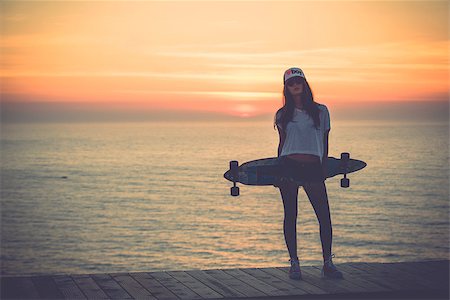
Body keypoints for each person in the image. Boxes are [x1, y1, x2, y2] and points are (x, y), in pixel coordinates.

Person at [274, 67, 343, 280]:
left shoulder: (321, 111)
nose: (295, 85)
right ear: (286, 87)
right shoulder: (282, 114)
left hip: (313, 167)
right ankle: (294, 264)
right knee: (290, 216)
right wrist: (278, 170)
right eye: (291, 83)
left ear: (305, 84)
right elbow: (282, 144)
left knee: (324, 216)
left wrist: (323, 166)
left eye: (298, 81)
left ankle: (327, 264)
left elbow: (325, 141)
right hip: (289, 166)